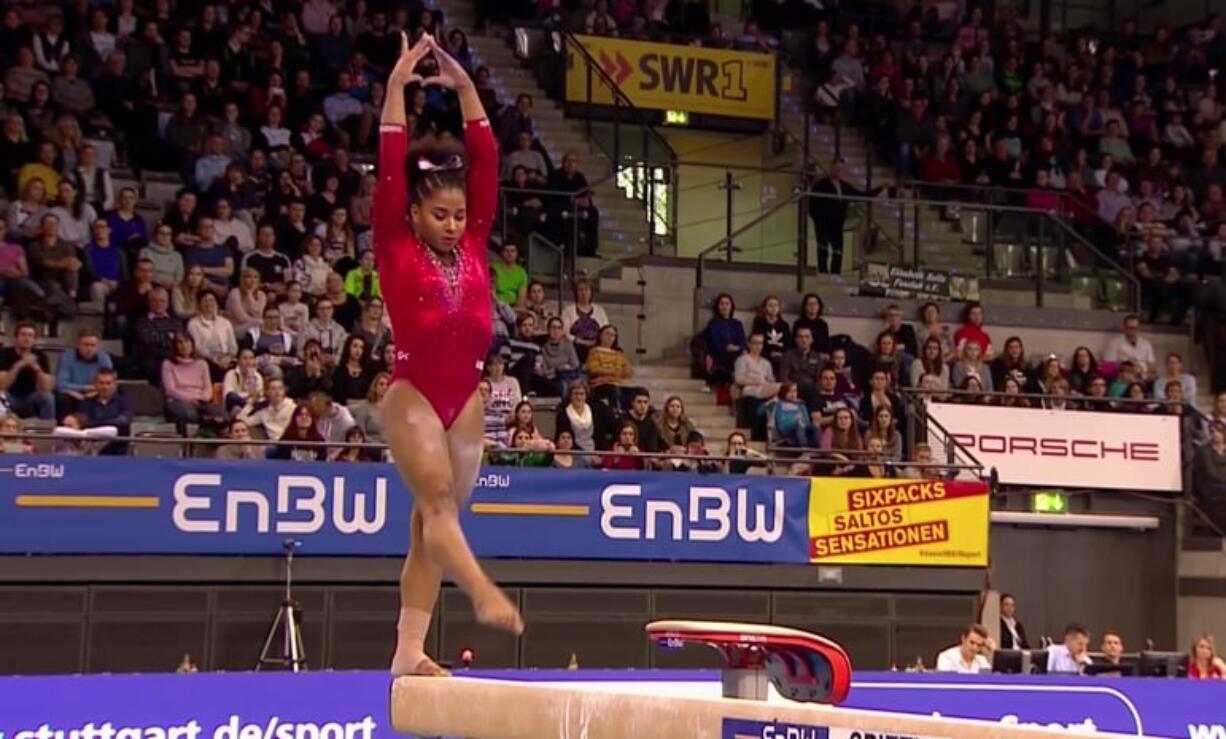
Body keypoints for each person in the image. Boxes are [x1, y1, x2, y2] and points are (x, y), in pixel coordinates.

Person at [375, 34, 522, 678]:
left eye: (461, 214)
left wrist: (466, 91)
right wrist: (396, 90)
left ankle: (408, 651)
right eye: (439, 214)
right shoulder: (394, 243)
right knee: (437, 509)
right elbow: (389, 162)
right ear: (414, 211)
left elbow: (485, 161)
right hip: (411, 394)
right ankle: (484, 593)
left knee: (427, 532)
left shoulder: (476, 241)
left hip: (465, 396)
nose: (454, 224)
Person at [0, 322, 55, 419]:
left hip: (31, 398)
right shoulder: (4, 354)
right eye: (23, 335)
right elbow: (2, 385)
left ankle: (48, 431)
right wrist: (18, 365)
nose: (27, 338)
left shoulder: (41, 356)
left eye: (30, 335)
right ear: (16, 337)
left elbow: (46, 387)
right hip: (10, 397)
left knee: (47, 397)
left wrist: (37, 369)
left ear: (34, 340)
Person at [55, 328, 112, 415]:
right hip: (72, 394)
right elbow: (61, 384)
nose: (89, 348)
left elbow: (109, 382)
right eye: (85, 345)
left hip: (96, 392)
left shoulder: (104, 358)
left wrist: (95, 392)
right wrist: (82, 389)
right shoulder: (66, 357)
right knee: (62, 398)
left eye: (92, 345)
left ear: (98, 346)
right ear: (78, 345)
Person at [1103, 314, 1156, 380]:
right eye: (1129, 328)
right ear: (1124, 328)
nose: (1132, 331)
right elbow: (1108, 365)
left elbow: (1152, 365)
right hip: (1122, 379)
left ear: (1139, 328)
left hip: (1142, 379)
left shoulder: (1146, 344)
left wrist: (1144, 370)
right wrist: (1127, 368)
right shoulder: (1114, 343)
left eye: (1135, 328)